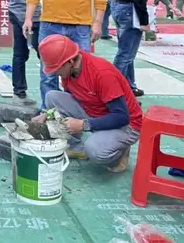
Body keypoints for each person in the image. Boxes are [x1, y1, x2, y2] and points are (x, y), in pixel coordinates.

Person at [33, 35, 142, 172]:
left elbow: (122, 117)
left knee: (95, 151)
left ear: (70, 61)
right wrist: (47, 115)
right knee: (52, 97)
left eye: (56, 69)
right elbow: (72, 99)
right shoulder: (69, 70)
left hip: (126, 125)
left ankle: (120, 154)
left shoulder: (102, 74)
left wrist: (83, 125)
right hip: (95, 111)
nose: (54, 73)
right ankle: (77, 148)